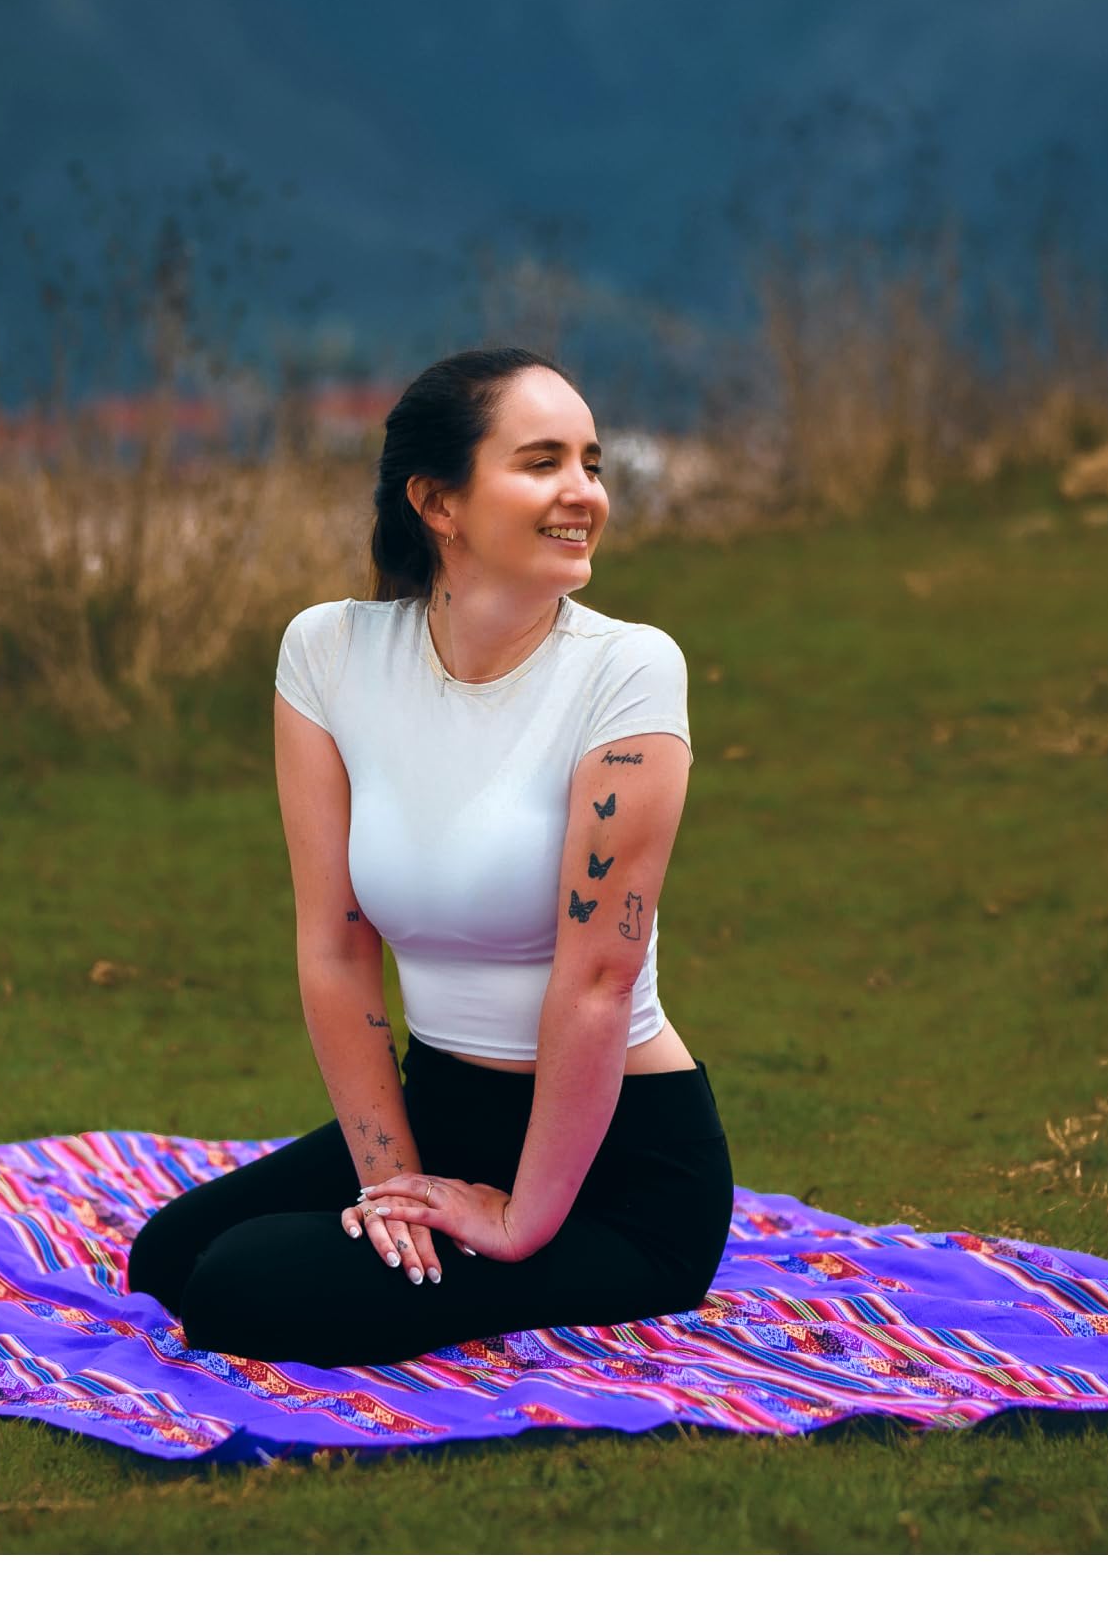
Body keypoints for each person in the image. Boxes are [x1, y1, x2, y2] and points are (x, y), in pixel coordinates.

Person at [124, 348, 734, 1367]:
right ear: (436, 501)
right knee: (173, 1255)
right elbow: (333, 947)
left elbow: (597, 977)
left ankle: (540, 1240)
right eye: (540, 462)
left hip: (618, 1171)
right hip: (442, 1109)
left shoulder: (628, 670)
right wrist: (392, 1181)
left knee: (243, 1286)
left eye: (589, 461)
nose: (582, 490)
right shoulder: (329, 654)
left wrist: (517, 1222)